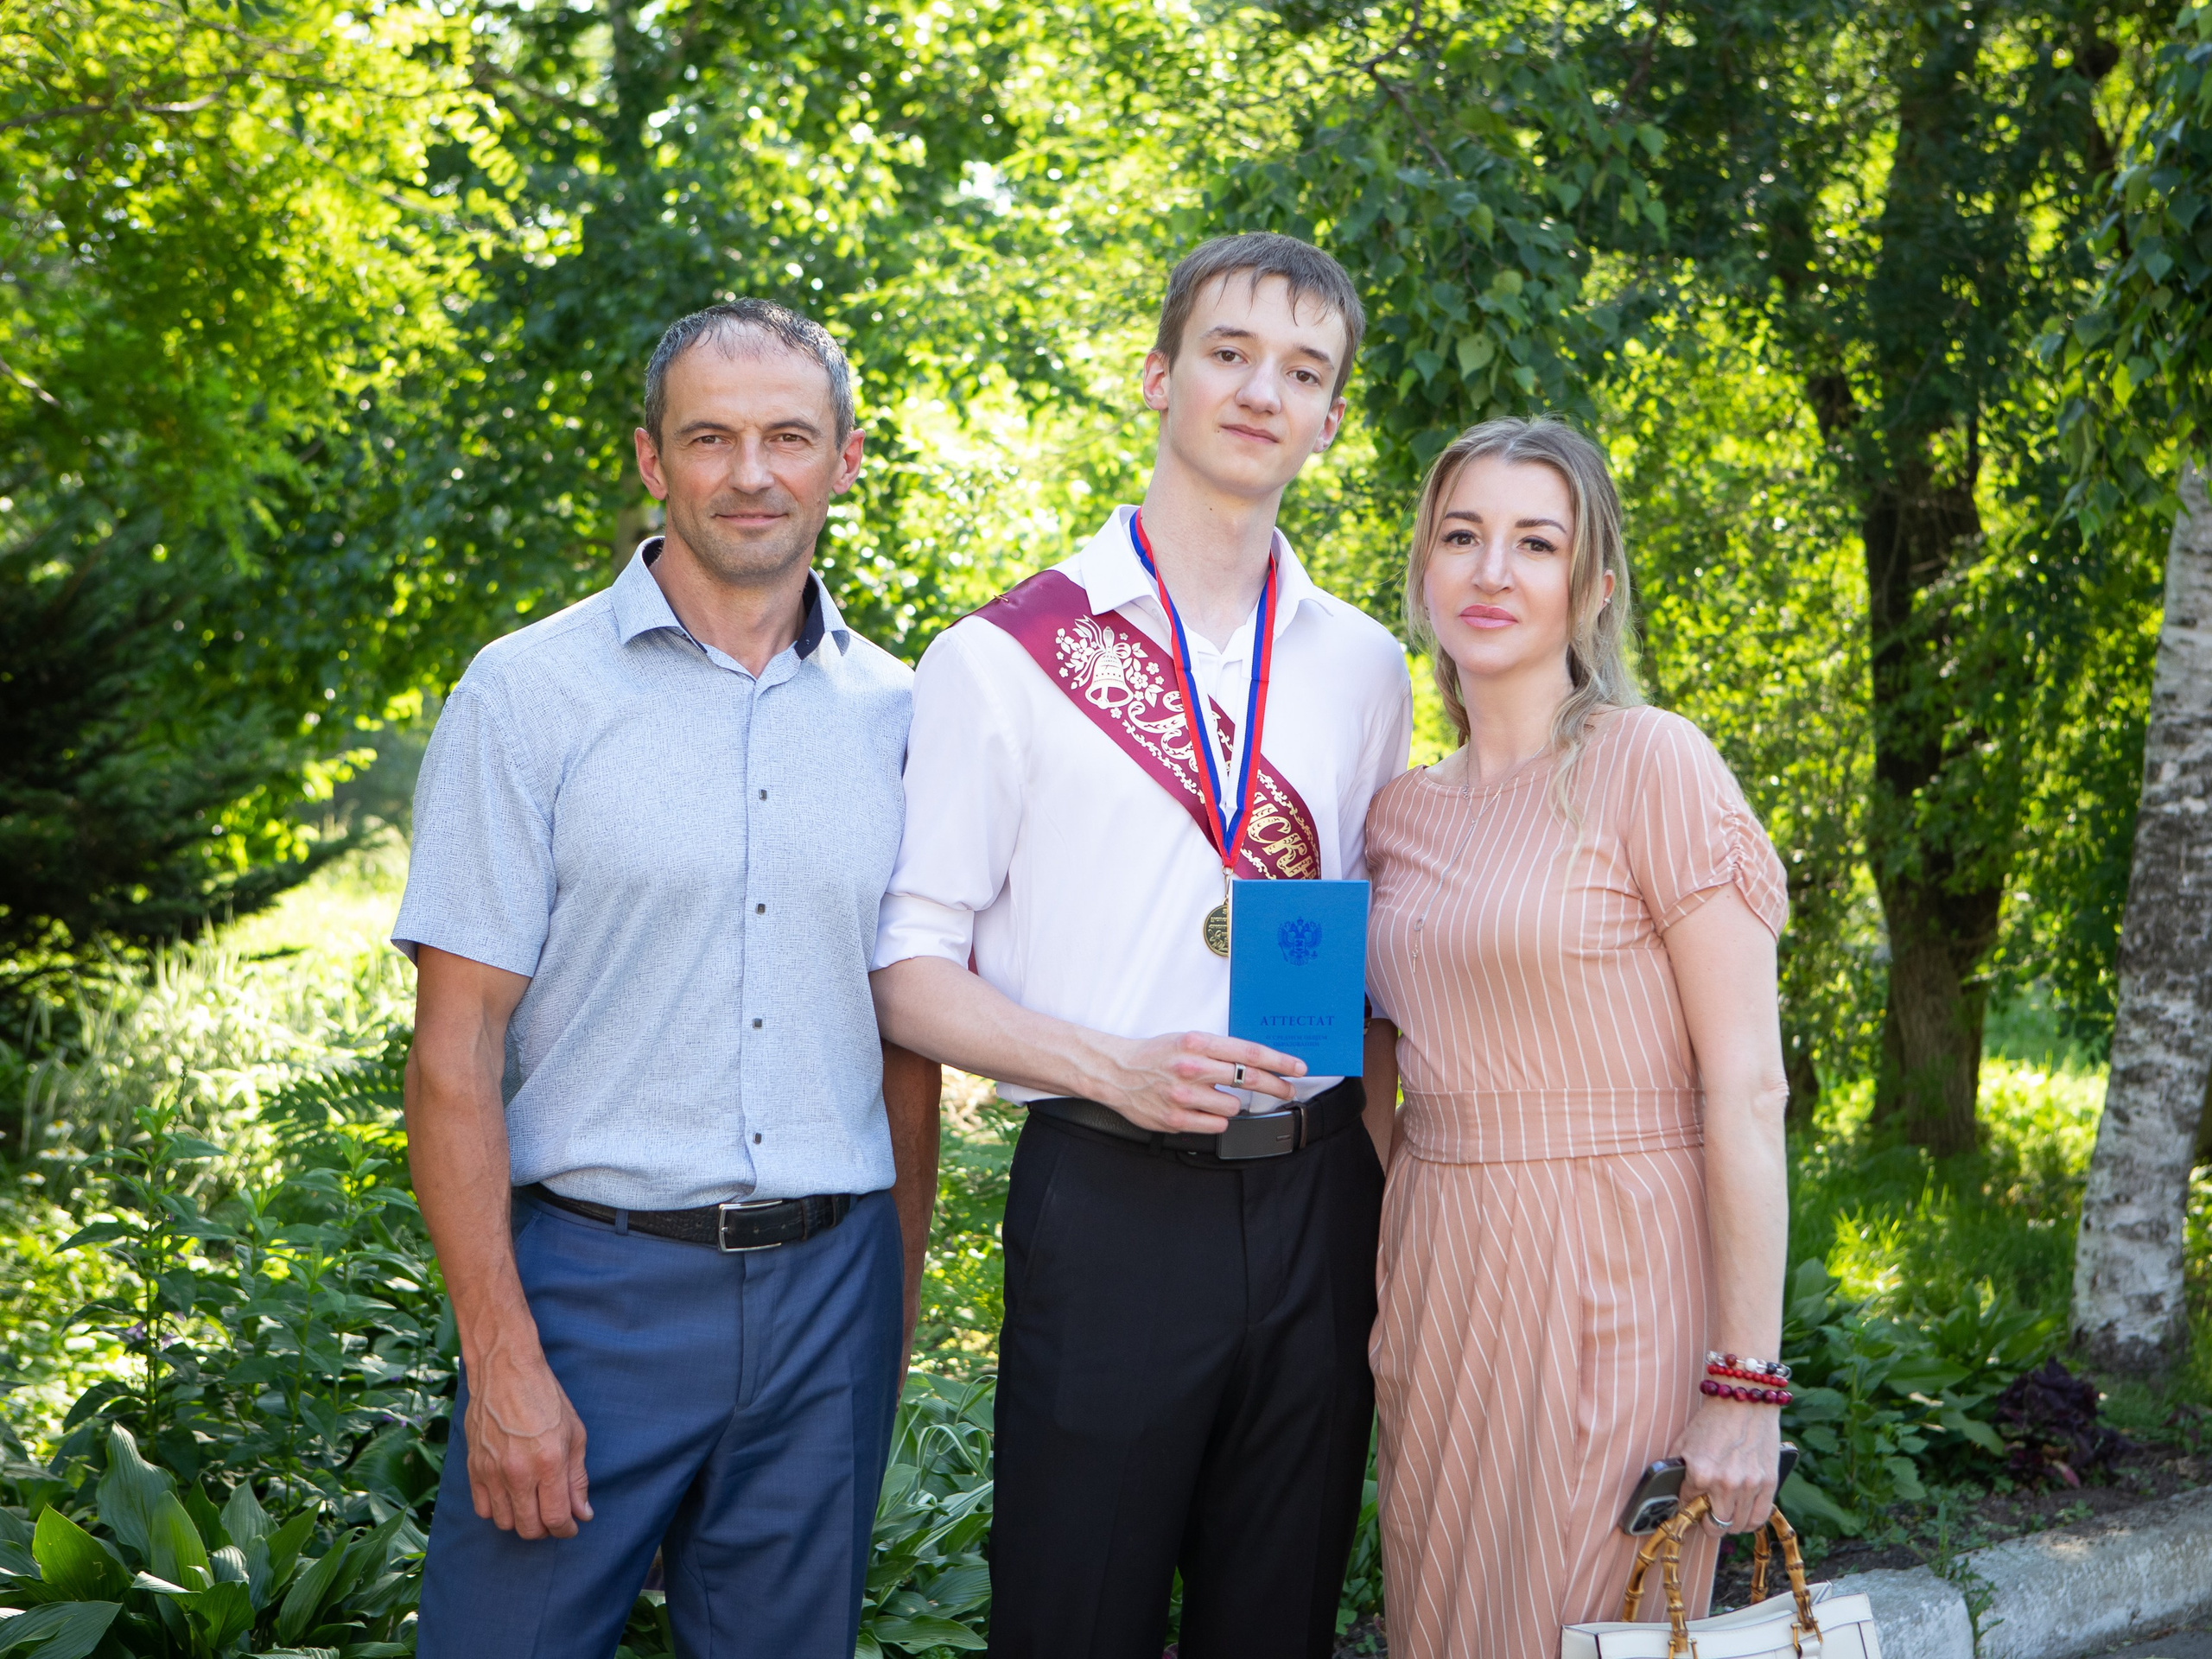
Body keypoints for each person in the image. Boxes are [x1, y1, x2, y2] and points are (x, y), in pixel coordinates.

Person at [869, 232, 1412, 1659]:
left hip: (1315, 1196)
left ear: (1332, 418)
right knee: (1075, 1615)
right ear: (1159, 375)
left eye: (1303, 372)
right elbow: (908, 968)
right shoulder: (1001, 657)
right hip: (1108, 1203)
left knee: (1276, 1618)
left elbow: (1365, 952)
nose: (1260, 393)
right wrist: (1107, 1064)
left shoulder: (1364, 663)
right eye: (1229, 354)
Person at [395, 299, 943, 1659]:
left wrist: (893, 1312)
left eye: (787, 438)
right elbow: (453, 1050)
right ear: (652, 461)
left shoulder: (906, 714)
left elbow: (908, 1041)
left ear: (846, 458)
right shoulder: (526, 694)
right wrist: (504, 1362)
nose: (750, 473)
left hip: (832, 1299)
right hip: (593, 1290)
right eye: (710, 437)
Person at [1360, 416, 1792, 1658]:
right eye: (1463, 537)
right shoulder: (1396, 815)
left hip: (1615, 1266)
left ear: (1592, 585)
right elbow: (1386, 1067)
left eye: (1535, 544)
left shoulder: (1653, 764)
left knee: (1579, 1629)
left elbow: (1747, 1091)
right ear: (1425, 571)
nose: (1493, 572)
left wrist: (1745, 1386)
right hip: (1440, 1281)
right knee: (1440, 1624)